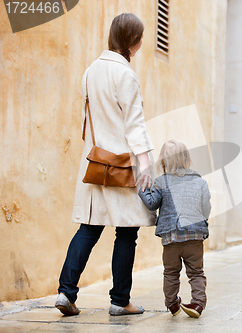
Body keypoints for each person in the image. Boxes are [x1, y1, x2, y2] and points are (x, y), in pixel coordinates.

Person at [55, 13, 155, 316]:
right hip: (122, 165)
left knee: (88, 228)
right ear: (132, 41)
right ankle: (119, 300)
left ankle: (66, 292)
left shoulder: (91, 71)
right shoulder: (125, 74)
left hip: (95, 163)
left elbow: (89, 121)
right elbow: (134, 124)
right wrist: (146, 163)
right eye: (139, 38)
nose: (141, 42)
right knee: (126, 231)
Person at [139, 140, 211, 318]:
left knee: (171, 272)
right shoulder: (199, 181)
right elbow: (206, 207)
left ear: (162, 162)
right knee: (196, 272)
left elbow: (151, 204)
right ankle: (197, 304)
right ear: (187, 159)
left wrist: (142, 190)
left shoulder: (160, 182)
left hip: (171, 238)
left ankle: (172, 304)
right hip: (194, 237)